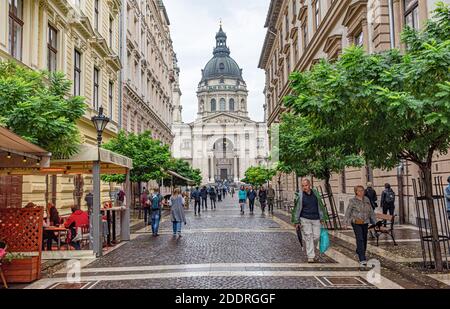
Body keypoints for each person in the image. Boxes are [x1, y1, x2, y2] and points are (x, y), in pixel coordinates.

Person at [292, 179, 329, 263]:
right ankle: (310, 256)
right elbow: (297, 209)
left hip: (316, 218)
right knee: (308, 236)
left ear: (310, 185)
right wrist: (296, 221)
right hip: (305, 218)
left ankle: (312, 250)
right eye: (303, 186)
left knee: (316, 236)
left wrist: (322, 218)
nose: (304, 187)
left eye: (306, 185)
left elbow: (320, 206)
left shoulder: (316, 194)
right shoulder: (300, 196)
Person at [343, 185, 377, 267]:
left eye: (362, 190)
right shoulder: (353, 201)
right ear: (356, 192)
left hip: (365, 222)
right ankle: (362, 258)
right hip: (356, 222)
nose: (361, 192)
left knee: (364, 239)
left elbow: (371, 211)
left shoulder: (366, 199)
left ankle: (360, 250)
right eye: (359, 190)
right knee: (360, 239)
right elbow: (348, 211)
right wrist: (345, 222)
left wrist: (374, 221)